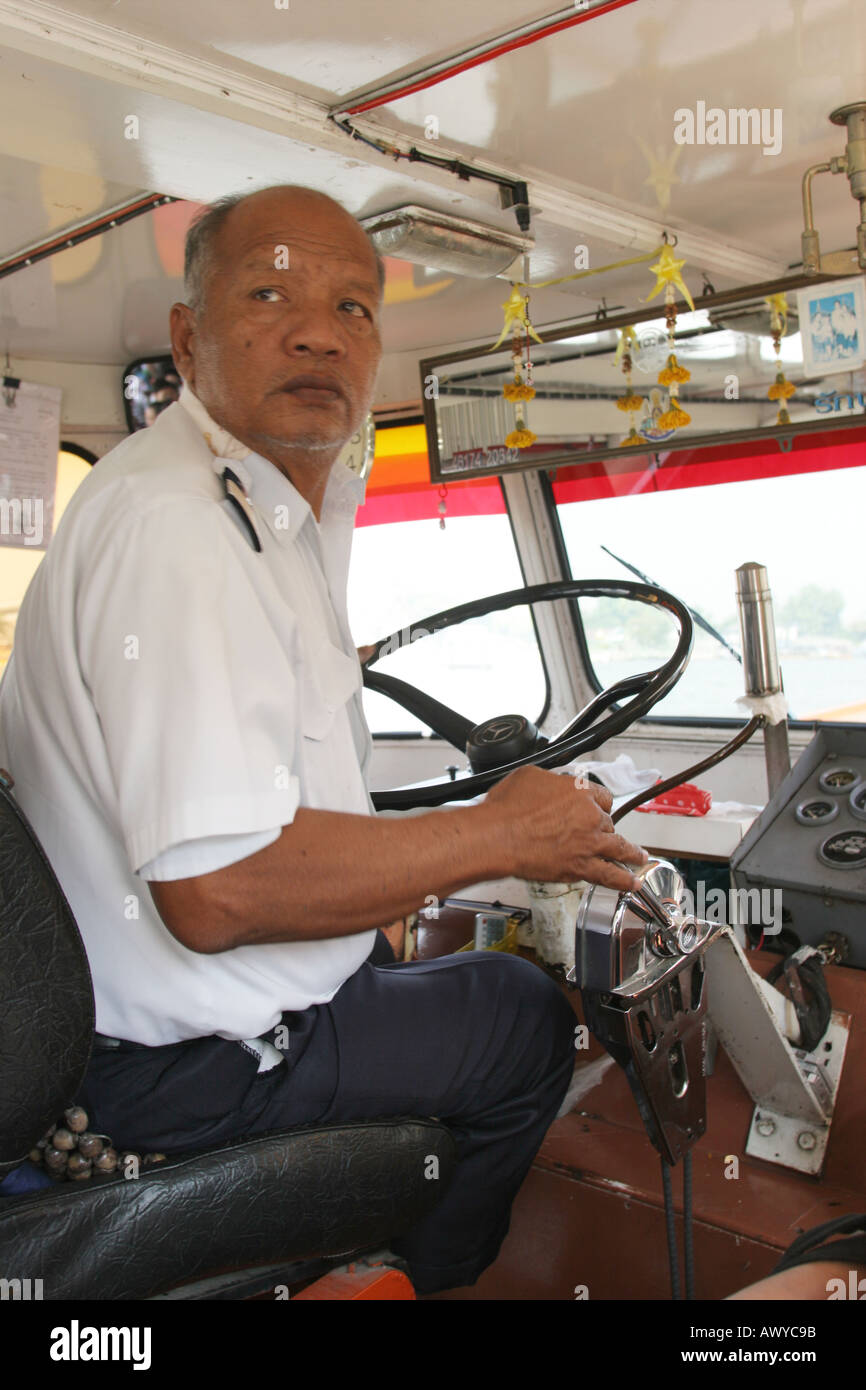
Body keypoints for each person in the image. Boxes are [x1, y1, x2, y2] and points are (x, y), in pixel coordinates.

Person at [0, 184, 646, 1295]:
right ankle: (418, 1277)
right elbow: (214, 891)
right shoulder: (180, 528)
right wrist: (498, 832)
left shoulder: (257, 505)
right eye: (269, 293)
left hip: (137, 1031)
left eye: (353, 306)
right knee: (520, 1016)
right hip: (179, 1073)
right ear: (186, 335)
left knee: (411, 959)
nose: (316, 329)